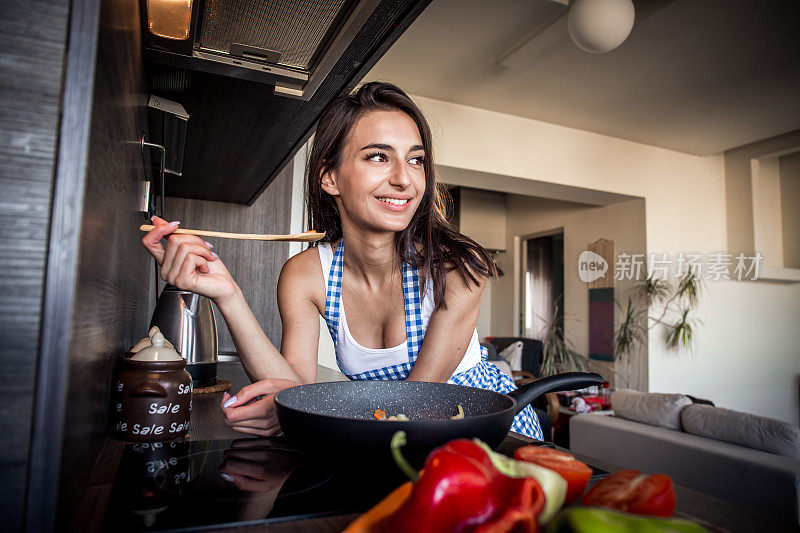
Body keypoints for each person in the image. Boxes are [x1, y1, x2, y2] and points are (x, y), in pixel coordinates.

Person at [142, 82, 542, 440]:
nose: (406, 179)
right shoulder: (306, 274)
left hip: (492, 437)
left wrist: (299, 407)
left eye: (416, 159)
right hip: (392, 443)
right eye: (378, 157)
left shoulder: (457, 267)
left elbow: (412, 403)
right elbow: (293, 388)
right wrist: (226, 294)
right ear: (329, 177)